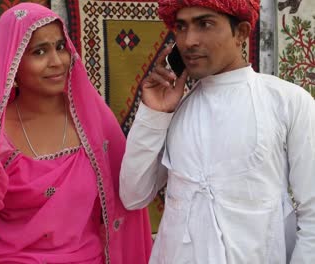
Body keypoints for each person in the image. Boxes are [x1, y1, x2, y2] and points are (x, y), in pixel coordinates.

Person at [119, 0, 315, 263]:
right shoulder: (174, 109)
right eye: (181, 27)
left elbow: (313, 215)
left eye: (205, 24)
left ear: (241, 33)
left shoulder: (288, 102)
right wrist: (153, 114)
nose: (189, 41)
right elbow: (133, 195)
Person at [0, 3, 152, 263]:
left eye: (60, 47)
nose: (57, 61)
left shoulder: (94, 123)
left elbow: (129, 197)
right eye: (39, 52)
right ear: (12, 63)